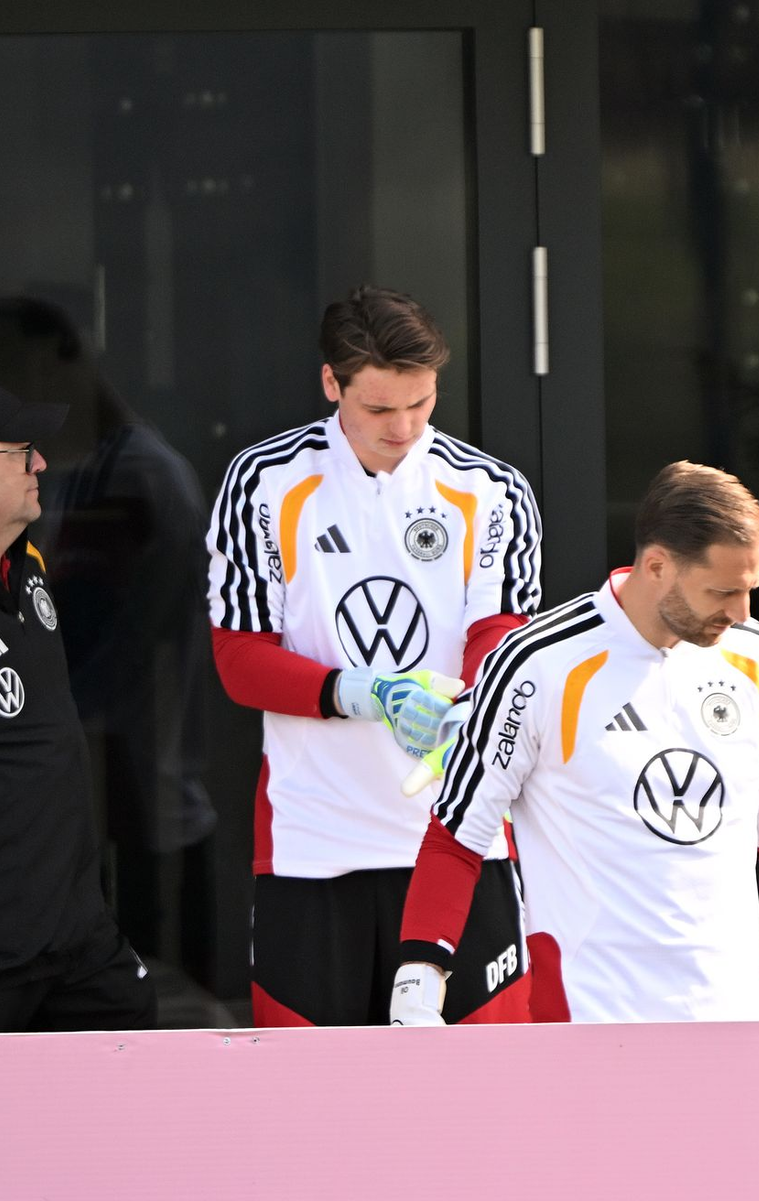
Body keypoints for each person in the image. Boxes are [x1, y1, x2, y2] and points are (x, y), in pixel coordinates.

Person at [391, 460, 759, 1024]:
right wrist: (418, 984)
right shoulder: (538, 663)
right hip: (589, 1020)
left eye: (750, 589)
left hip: (733, 1017)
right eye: (722, 591)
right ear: (656, 566)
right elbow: (458, 835)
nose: (742, 612)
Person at [207, 284, 541, 1026]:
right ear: (332, 383)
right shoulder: (264, 482)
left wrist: (471, 703)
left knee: (488, 1097)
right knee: (311, 1103)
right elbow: (240, 658)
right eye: (380, 409)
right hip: (313, 839)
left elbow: (501, 631)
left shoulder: (491, 488)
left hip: (462, 834)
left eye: (421, 403)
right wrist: (363, 692)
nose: (405, 427)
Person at [0, 298, 217, 987]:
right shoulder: (79, 473)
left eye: (1, 365)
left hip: (134, 801)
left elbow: (97, 650)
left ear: (58, 356)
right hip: (106, 795)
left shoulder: (131, 478)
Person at [0, 375, 157, 1034]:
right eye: (21, 451)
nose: (41, 464)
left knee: (135, 1069)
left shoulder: (23, 563)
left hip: (76, 943)